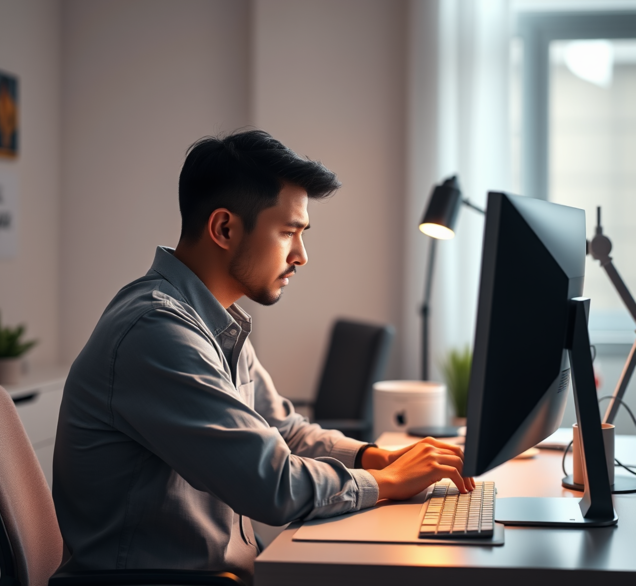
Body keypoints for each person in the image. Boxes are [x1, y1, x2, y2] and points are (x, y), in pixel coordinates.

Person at [53, 130, 474, 584]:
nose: (302, 255)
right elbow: (271, 486)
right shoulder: (156, 331)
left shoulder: (216, 320)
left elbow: (284, 431)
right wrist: (388, 484)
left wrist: (376, 458)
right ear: (225, 229)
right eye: (288, 232)